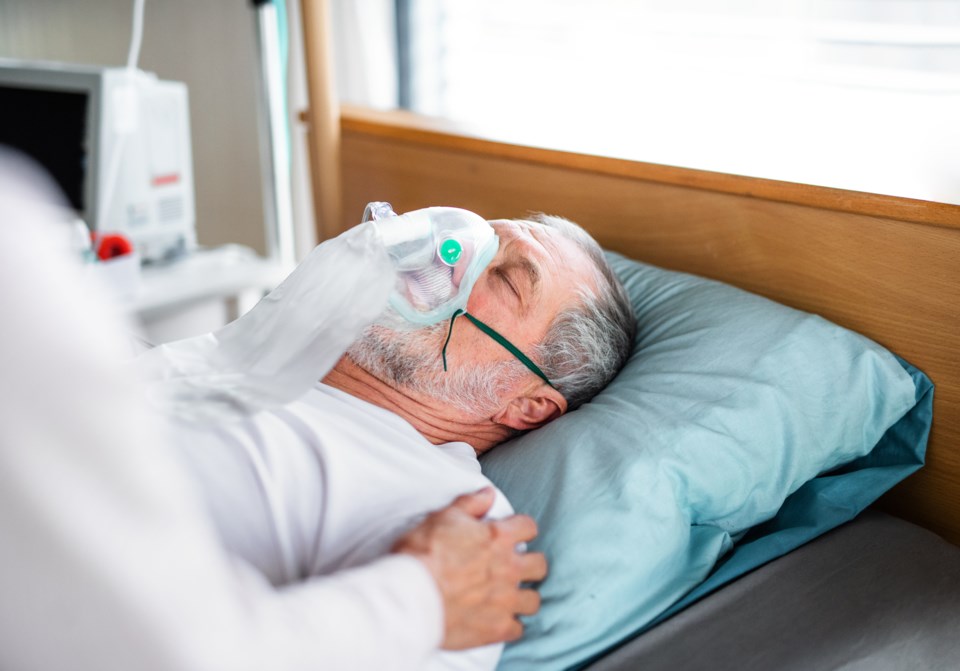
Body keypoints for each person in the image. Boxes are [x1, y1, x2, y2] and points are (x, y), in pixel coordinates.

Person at [156, 211, 636, 670]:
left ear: (526, 405)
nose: (448, 257)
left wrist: (418, 592)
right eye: (475, 238)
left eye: (505, 280)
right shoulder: (252, 354)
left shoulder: (454, 530)